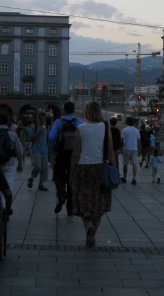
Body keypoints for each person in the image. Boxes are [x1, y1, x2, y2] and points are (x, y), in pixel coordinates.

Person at [69, 101, 117, 249]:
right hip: (100, 168)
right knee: (99, 203)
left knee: (83, 200)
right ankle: (93, 233)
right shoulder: (105, 127)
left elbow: (76, 154)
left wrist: (72, 172)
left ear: (86, 112)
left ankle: (88, 227)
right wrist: (114, 168)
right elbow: (110, 151)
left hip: (83, 168)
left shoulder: (80, 128)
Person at [49, 102, 83, 214]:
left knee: (58, 177)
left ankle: (62, 195)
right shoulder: (79, 122)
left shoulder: (59, 122)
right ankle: (70, 208)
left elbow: (51, 137)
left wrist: (51, 151)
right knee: (72, 178)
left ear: (64, 109)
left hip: (61, 154)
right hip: (74, 155)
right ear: (73, 110)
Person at [0, 114, 23, 194]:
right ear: (7, 122)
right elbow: (18, 151)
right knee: (8, 185)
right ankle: (5, 204)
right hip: (8, 164)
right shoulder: (12, 134)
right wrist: (20, 164)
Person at [27, 112, 49, 191]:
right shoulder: (34, 127)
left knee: (44, 168)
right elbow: (31, 137)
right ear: (38, 118)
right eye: (41, 118)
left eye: (44, 118)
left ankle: (41, 184)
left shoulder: (47, 127)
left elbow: (49, 139)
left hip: (45, 150)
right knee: (37, 166)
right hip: (36, 149)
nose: (42, 120)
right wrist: (39, 132)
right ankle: (31, 178)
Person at [121, 116, 141, 184]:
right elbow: (139, 141)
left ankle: (124, 178)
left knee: (125, 164)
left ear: (127, 122)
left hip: (126, 148)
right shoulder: (137, 130)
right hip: (134, 149)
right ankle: (134, 178)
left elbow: (122, 140)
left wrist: (121, 148)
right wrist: (140, 150)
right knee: (134, 164)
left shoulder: (124, 130)